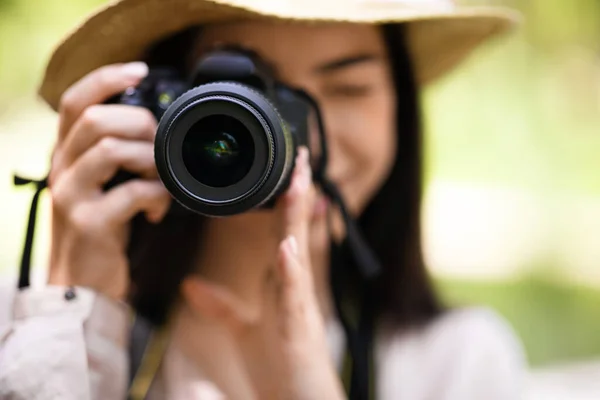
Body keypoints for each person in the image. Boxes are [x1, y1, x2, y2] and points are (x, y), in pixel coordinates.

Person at [0, 0, 527, 399]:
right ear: (163, 109)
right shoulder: (23, 330)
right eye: (250, 94)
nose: (300, 143)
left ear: (401, 111)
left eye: (349, 88)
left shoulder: (458, 364)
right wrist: (72, 320)